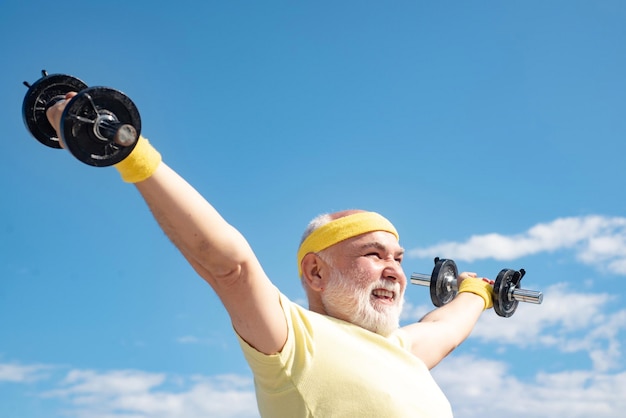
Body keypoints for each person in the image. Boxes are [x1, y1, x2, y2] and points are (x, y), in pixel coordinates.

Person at [46, 93, 494, 417]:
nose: (394, 270)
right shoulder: (295, 340)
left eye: (397, 256)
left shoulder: (402, 349)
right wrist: (132, 152)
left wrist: (478, 291)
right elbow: (231, 268)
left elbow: (446, 327)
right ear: (315, 272)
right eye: (373, 255)